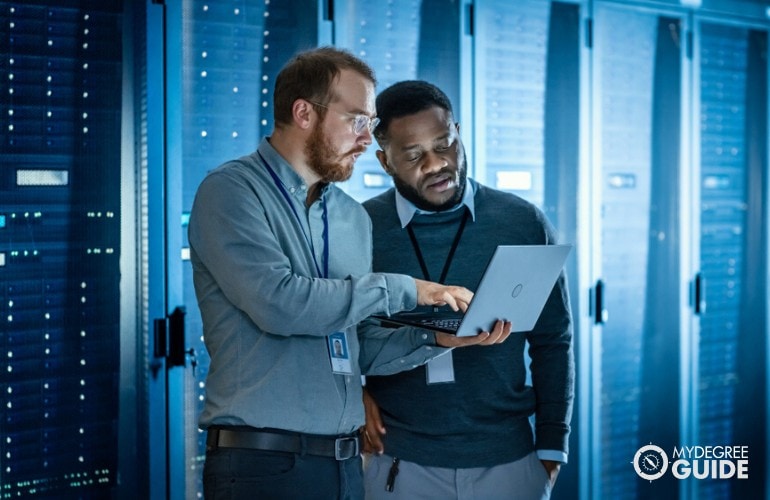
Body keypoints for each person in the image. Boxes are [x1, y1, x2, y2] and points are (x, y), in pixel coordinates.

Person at [188, 48, 512, 500]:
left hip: (344, 465)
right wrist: (408, 289)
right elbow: (280, 304)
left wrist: (438, 339)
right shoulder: (231, 192)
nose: (367, 140)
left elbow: (357, 345)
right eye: (357, 120)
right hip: (262, 464)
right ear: (303, 112)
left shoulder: (349, 217)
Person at [361, 80, 575, 500]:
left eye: (445, 144)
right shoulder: (362, 230)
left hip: (509, 463)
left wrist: (551, 449)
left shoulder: (521, 221)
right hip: (399, 465)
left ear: (458, 132)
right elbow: (337, 334)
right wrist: (355, 393)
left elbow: (554, 341)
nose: (437, 164)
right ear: (385, 162)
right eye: (414, 155)